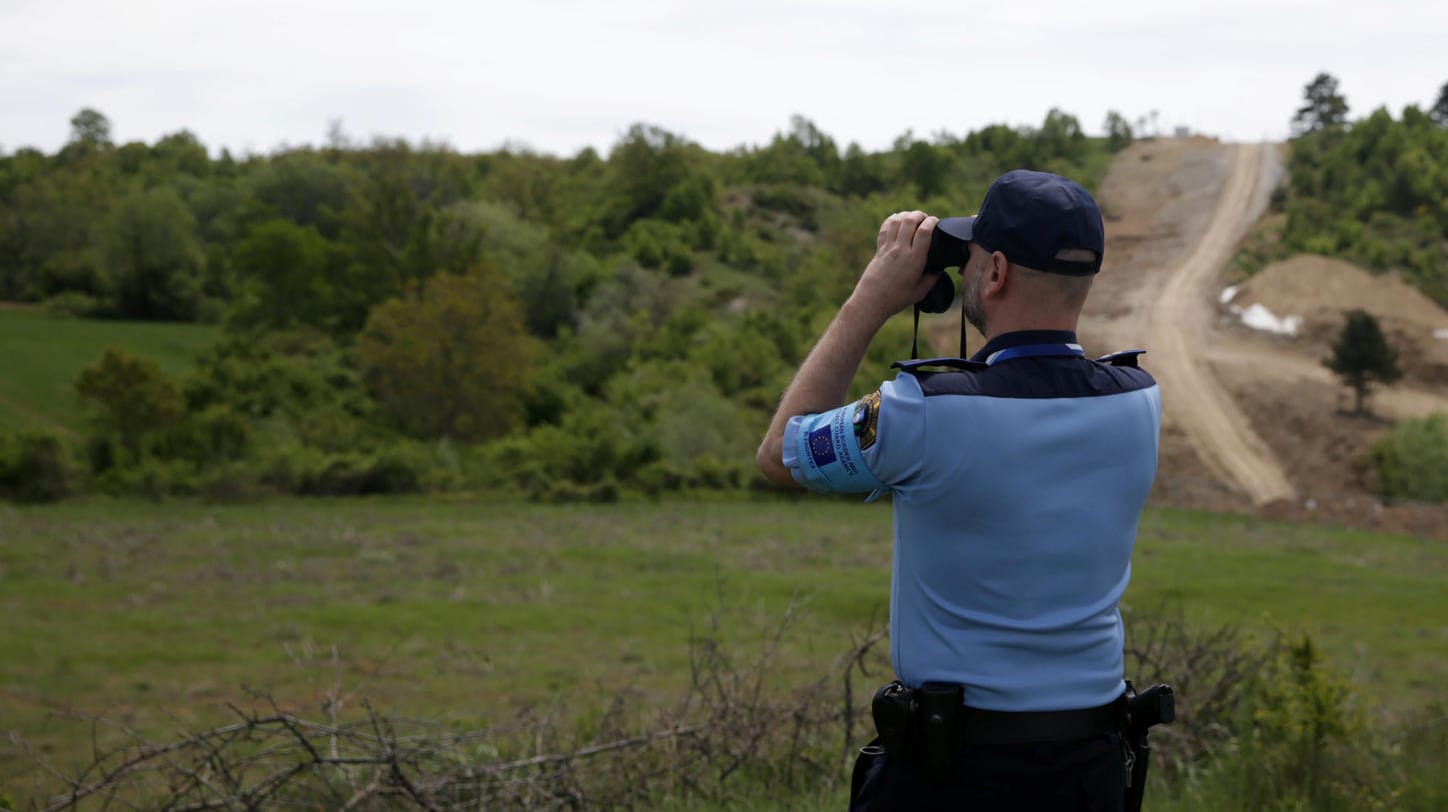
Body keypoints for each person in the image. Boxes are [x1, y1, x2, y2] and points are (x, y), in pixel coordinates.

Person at [756, 170, 1161, 811]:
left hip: (955, 775)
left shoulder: (924, 414)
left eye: (971, 254)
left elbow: (781, 452)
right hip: (1092, 768)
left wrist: (871, 296)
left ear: (995, 272)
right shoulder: (1139, 402)